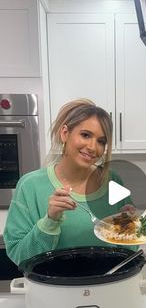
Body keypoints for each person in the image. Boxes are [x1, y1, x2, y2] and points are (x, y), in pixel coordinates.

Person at [3, 98, 136, 266]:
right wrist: (50, 220)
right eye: (85, 135)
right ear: (65, 133)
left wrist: (129, 226)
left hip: (106, 285)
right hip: (55, 289)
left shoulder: (112, 181)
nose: (93, 147)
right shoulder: (31, 186)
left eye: (101, 141)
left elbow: (129, 251)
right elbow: (19, 255)